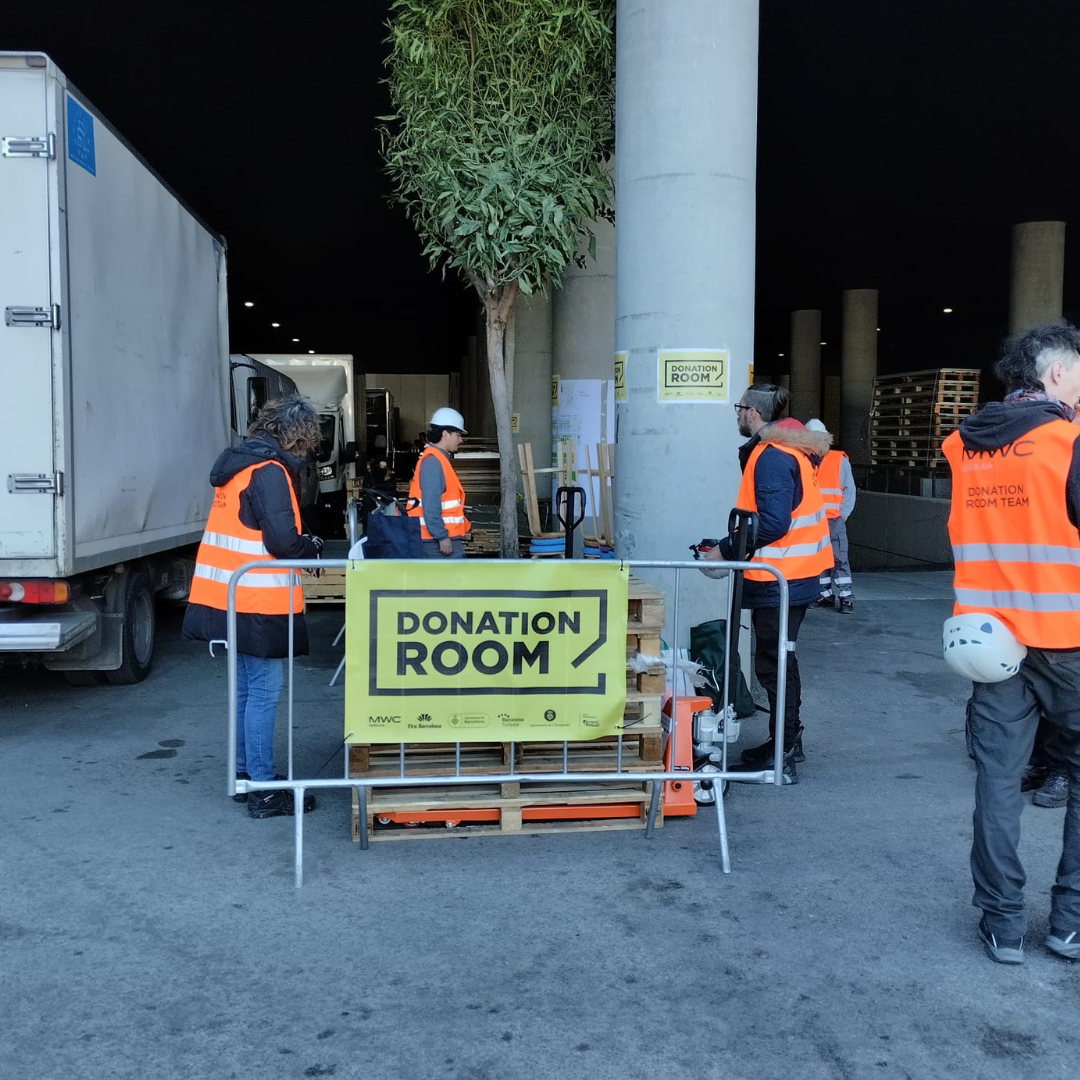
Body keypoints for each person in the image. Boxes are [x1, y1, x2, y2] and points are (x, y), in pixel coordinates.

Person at [943, 322, 1080, 963]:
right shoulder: (1069, 443)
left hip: (989, 640)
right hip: (1068, 640)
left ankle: (1001, 924)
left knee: (998, 778)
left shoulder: (963, 447)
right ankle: (1069, 922)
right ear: (1055, 374)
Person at [183, 396, 323, 819]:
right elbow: (281, 542)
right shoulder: (270, 472)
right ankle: (263, 787)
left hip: (227, 595)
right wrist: (310, 549)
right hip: (257, 600)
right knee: (264, 690)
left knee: (247, 689)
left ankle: (247, 776)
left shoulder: (238, 466)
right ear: (299, 436)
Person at [703, 383, 833, 784]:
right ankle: (786, 742)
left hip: (783, 579)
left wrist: (725, 550)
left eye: (739, 409)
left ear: (754, 414)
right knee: (778, 660)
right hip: (792, 575)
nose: (737, 415)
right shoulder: (793, 450)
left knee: (774, 663)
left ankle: (783, 751)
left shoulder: (772, 455)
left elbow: (774, 522)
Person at [805, 418, 856, 613]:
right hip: (814, 519)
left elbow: (849, 490)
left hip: (833, 519)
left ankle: (846, 597)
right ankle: (824, 595)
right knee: (819, 560)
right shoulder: (806, 460)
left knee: (839, 558)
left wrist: (843, 515)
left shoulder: (838, 460)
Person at [408, 407, 471, 559]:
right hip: (436, 541)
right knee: (448, 581)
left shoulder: (438, 460)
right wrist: (441, 536)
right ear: (445, 434)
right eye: (458, 435)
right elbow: (431, 504)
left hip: (438, 538)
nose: (460, 440)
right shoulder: (433, 463)